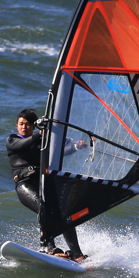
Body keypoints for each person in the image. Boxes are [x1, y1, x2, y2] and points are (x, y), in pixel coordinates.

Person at [5, 108, 87, 261]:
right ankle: (49, 247)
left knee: (63, 214)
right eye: (21, 124)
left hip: (43, 184)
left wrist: (76, 146)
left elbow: (59, 152)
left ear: (33, 126)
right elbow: (21, 145)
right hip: (25, 184)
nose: (24, 127)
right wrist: (40, 135)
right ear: (17, 126)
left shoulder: (41, 142)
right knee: (44, 209)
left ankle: (77, 254)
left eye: (27, 124)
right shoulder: (12, 140)